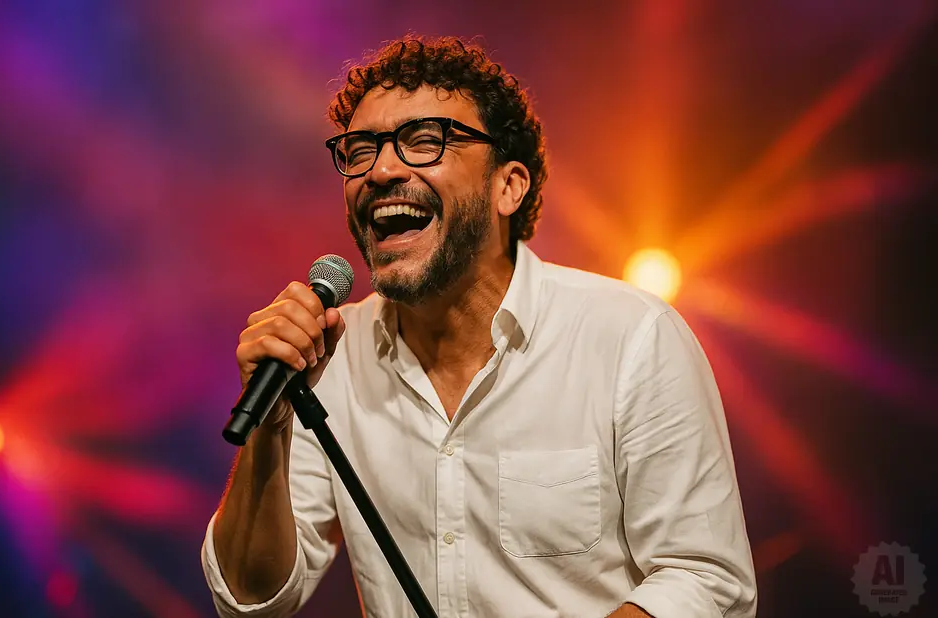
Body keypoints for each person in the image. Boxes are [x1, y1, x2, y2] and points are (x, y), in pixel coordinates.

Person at [201, 36, 757, 618]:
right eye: (360, 150)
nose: (382, 169)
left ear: (507, 186)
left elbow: (705, 579)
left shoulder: (631, 337)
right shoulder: (331, 357)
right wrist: (272, 428)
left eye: (424, 141)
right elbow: (251, 601)